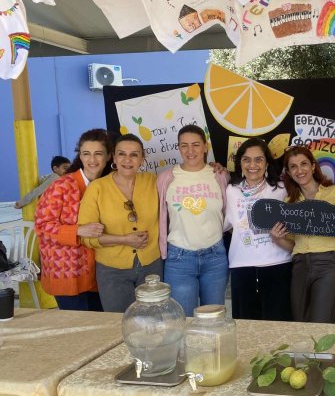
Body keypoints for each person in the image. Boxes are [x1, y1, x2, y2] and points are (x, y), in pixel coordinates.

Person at [78, 134, 162, 312]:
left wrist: (217, 170)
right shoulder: (97, 188)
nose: (127, 160)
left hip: (152, 267)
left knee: (154, 319)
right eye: (122, 154)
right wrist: (124, 240)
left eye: (134, 155)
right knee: (119, 321)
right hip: (112, 271)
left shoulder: (154, 182)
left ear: (142, 158)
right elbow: (87, 238)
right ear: (114, 158)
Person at [157, 125, 229, 317]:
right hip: (179, 258)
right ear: (178, 148)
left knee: (213, 319)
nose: (190, 150)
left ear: (205, 147)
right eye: (184, 145)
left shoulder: (220, 175)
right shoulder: (165, 178)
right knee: (183, 319)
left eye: (196, 144)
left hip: (215, 257)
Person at [34, 132, 111, 310]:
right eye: (86, 153)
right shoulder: (61, 186)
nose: (92, 159)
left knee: (101, 324)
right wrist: (78, 230)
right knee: (77, 325)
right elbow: (42, 226)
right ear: (80, 156)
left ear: (108, 156)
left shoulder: (109, 185)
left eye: (98, 153)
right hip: (66, 272)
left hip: (100, 270)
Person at [270, 146, 335, 323]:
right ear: (289, 173)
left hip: (329, 264)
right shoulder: (289, 202)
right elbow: (293, 244)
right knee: (300, 323)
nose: (300, 170)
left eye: (304, 164)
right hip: (300, 265)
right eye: (293, 166)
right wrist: (277, 239)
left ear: (313, 166)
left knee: (320, 324)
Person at [225, 138, 292, 321]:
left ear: (267, 163)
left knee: (277, 327)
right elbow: (224, 224)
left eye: (258, 159)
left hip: (277, 265)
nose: (252, 165)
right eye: (246, 160)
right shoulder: (231, 191)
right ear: (240, 163)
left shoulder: (282, 190)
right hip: (241, 266)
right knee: (245, 328)